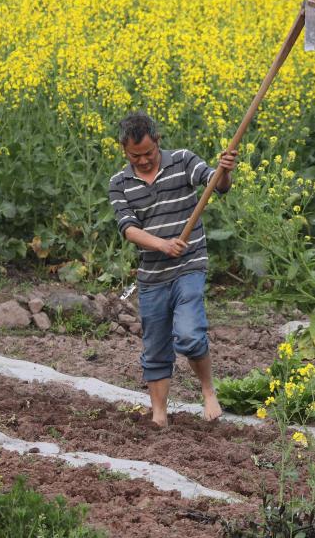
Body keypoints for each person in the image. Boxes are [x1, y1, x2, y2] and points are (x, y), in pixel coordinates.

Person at [108, 111, 237, 427]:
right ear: (124, 151)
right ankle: (159, 416)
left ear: (158, 143)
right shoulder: (119, 183)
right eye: (135, 156)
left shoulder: (182, 160)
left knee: (190, 335)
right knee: (155, 348)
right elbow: (128, 229)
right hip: (152, 277)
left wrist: (225, 170)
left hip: (189, 266)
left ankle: (208, 390)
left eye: (148, 153)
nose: (143, 160)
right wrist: (162, 244)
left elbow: (216, 185)